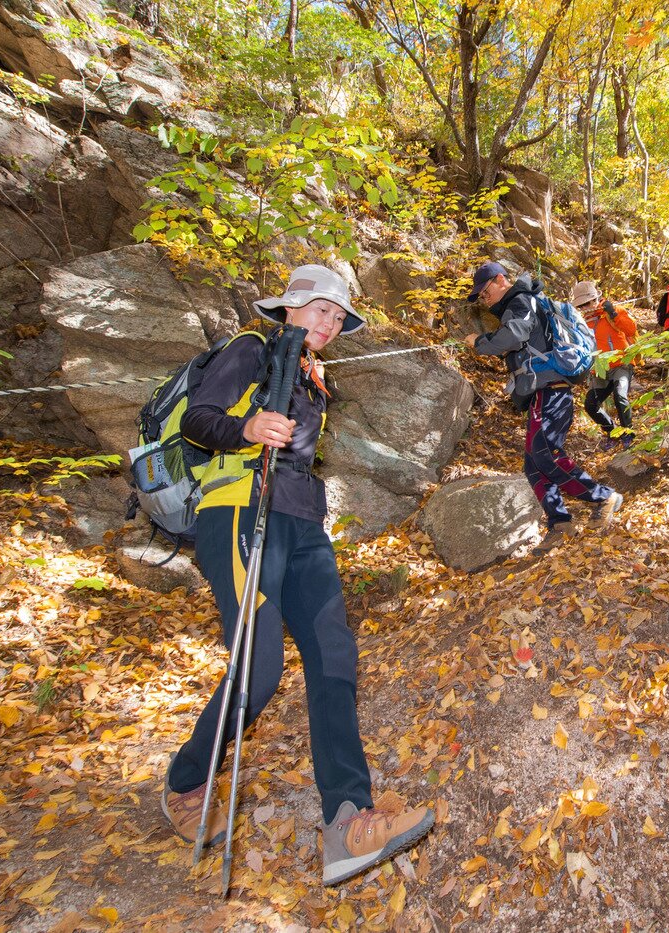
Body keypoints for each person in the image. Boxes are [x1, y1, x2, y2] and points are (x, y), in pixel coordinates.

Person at [163, 265, 435, 887]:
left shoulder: (313, 378)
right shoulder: (250, 349)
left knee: (334, 654)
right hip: (237, 513)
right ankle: (186, 780)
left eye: (339, 318)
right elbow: (197, 420)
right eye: (320, 310)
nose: (330, 324)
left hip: (302, 524)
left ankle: (347, 820)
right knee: (260, 668)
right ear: (289, 308)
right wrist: (248, 428)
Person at [466, 262, 624, 554]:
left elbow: (513, 336)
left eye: (484, 292)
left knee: (546, 455)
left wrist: (481, 342)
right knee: (533, 465)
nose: (483, 300)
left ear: (501, 280)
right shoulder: (523, 302)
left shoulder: (521, 300)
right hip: (546, 390)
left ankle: (603, 497)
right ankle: (560, 522)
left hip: (551, 389)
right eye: (480, 297)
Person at [573, 281, 637, 450]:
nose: (586, 307)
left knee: (620, 395)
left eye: (589, 302)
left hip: (621, 363)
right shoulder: (582, 323)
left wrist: (613, 313)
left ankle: (628, 434)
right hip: (600, 369)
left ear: (596, 299)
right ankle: (612, 433)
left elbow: (631, 329)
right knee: (591, 404)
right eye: (582, 305)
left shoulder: (612, 312)